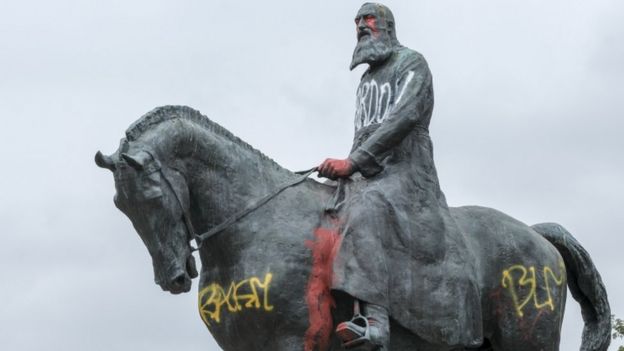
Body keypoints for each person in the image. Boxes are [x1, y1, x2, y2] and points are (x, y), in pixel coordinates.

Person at [318, 3, 483, 350]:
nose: (362, 26)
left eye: (368, 19)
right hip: (368, 173)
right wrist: (342, 173)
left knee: (368, 207)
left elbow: (402, 119)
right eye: (357, 21)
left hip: (407, 173)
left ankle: (376, 323)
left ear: (388, 26)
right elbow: (363, 135)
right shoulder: (365, 82)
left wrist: (353, 162)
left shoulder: (412, 63)